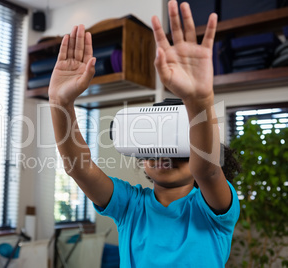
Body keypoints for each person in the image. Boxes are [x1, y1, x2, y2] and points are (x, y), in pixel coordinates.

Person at [48, 1, 240, 267]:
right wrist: (60, 103)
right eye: (154, 140)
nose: (163, 152)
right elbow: (79, 168)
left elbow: (206, 170)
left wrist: (199, 99)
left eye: (176, 139)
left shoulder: (212, 210)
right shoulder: (130, 206)